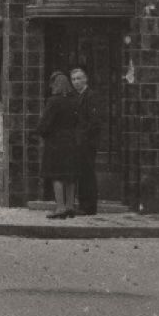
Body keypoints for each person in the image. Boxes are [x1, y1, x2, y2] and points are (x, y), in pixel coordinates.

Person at [36, 71, 82, 219]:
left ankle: (60, 207)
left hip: (55, 142)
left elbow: (44, 124)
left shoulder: (53, 101)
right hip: (72, 141)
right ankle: (70, 206)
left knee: (57, 175)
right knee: (70, 176)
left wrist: (41, 132)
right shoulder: (75, 100)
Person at [69, 66, 100, 215]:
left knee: (87, 174)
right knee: (82, 173)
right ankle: (83, 205)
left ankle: (89, 207)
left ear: (85, 79)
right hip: (79, 142)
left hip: (87, 143)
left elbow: (94, 122)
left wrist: (83, 138)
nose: (76, 82)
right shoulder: (77, 96)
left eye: (79, 78)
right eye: (73, 79)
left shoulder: (91, 96)